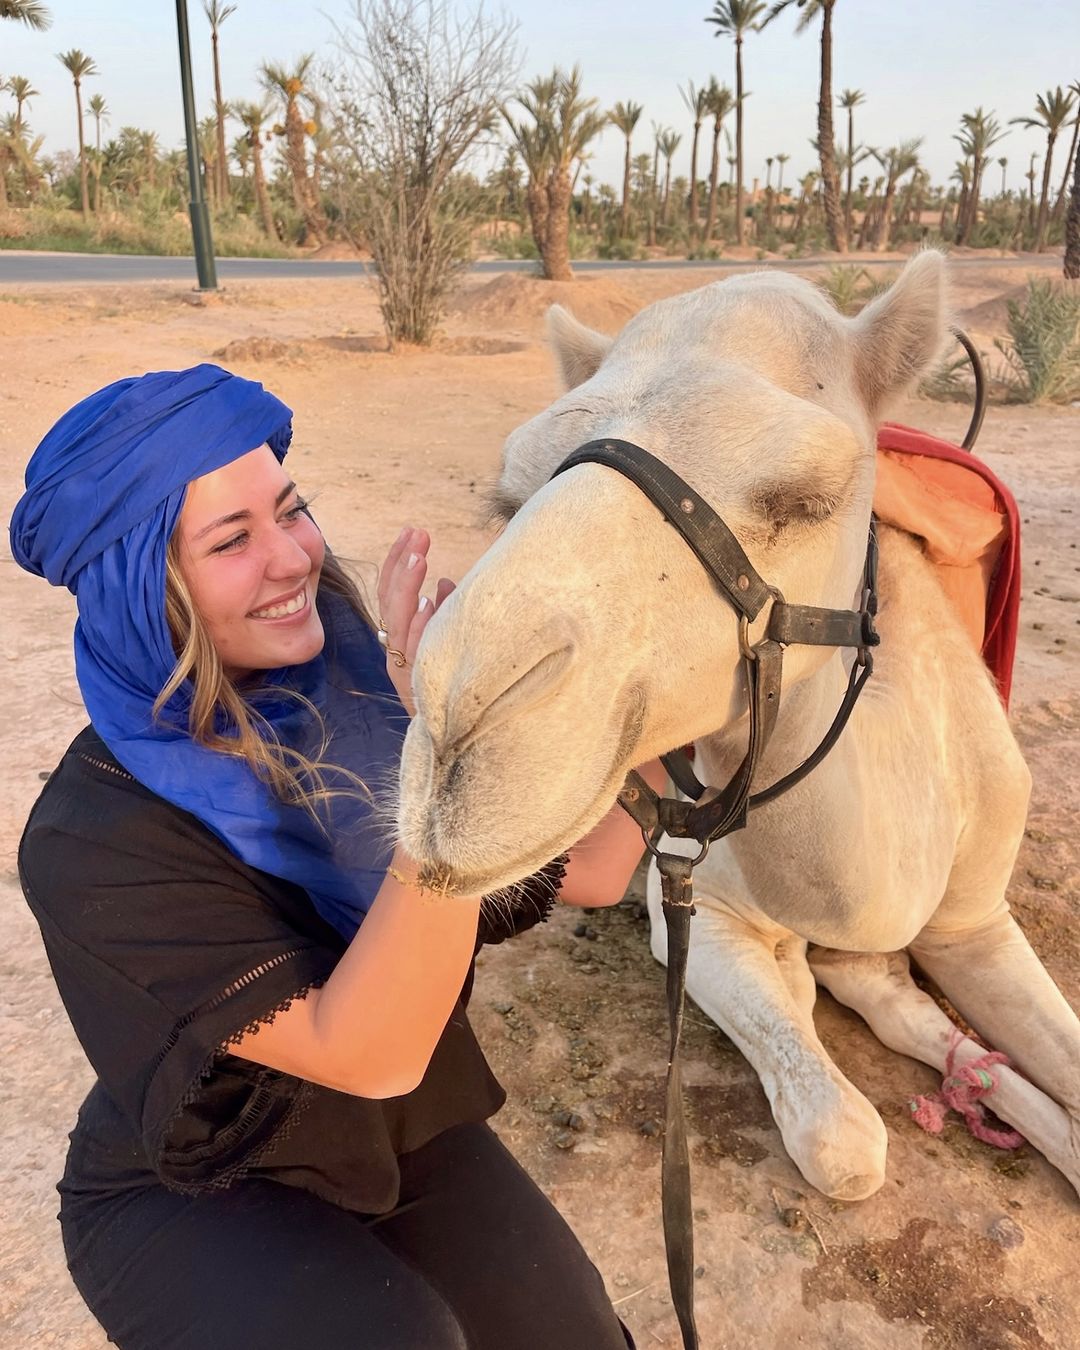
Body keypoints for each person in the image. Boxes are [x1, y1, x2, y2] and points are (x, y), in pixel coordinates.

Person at [10, 364, 667, 1350]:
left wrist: (657, 680)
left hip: (394, 1128)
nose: (294, 558)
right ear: (142, 593)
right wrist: (442, 756)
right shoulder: (93, 840)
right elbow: (371, 1047)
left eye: (291, 510)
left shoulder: (353, 696)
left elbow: (599, 867)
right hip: (203, 1179)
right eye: (232, 540)